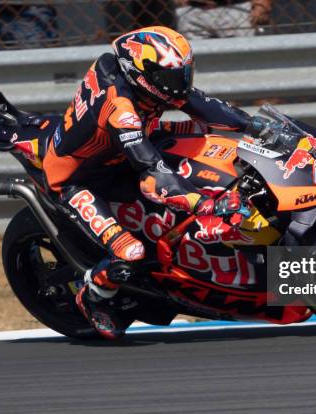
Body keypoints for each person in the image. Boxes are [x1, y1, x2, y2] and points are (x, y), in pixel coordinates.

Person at [42, 26, 268, 340]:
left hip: (120, 153)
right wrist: (203, 204)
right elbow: (152, 172)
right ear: (142, 74)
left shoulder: (140, 82)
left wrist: (255, 125)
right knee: (131, 252)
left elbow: (202, 106)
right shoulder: (121, 111)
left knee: (205, 140)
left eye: (183, 73)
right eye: (171, 77)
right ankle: (94, 294)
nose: (180, 84)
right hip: (80, 181)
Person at [174, 0, 272, 39]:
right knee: (193, 58)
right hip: (192, 9)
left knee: (244, 54)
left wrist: (261, 4)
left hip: (237, 7)